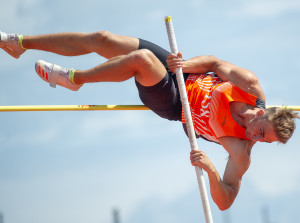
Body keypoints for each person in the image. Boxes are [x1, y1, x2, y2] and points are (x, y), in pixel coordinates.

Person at [1, 30, 299, 210]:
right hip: (183, 73)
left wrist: (210, 169)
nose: (256, 139)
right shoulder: (248, 84)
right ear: (260, 112)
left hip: (174, 104)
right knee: (102, 39)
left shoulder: (240, 150)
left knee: (141, 59)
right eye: (261, 132)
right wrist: (181, 66)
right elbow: (213, 63)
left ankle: (75, 79)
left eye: (264, 141)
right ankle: (19, 43)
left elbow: (225, 201)